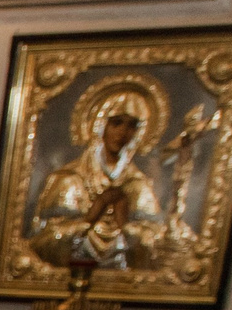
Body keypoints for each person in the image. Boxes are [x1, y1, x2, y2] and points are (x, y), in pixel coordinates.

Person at [28, 87, 166, 271]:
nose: (123, 133)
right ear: (100, 125)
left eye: (131, 126)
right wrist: (90, 217)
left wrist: (126, 228)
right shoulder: (68, 179)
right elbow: (42, 242)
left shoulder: (139, 186)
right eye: (116, 123)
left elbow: (156, 248)